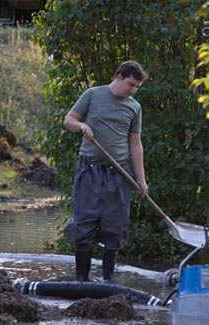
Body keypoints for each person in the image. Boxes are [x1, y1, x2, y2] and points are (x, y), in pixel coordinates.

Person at [63, 61, 148, 282]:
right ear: (119, 77)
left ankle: (107, 281)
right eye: (131, 84)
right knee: (84, 224)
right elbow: (69, 120)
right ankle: (81, 280)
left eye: (137, 87)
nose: (133, 90)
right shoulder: (92, 95)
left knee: (115, 226)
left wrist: (141, 179)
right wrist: (82, 126)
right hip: (89, 170)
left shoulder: (134, 107)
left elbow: (135, 144)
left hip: (119, 172)